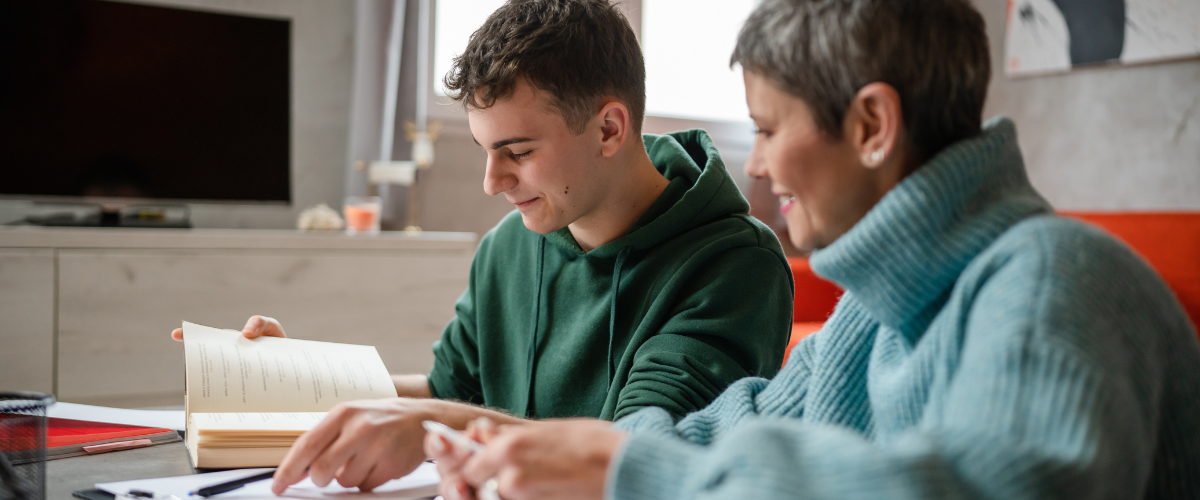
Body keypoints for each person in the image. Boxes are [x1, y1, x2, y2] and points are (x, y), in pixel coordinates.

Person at [426, 0, 1200, 498]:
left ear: (871, 126)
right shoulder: (874, 314)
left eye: (766, 129)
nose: (754, 164)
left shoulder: (1051, 277)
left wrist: (620, 468)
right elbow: (736, 425)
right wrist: (547, 456)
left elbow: (992, 487)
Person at [172, 0, 795, 493]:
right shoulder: (509, 246)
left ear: (609, 127)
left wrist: (434, 425)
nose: (493, 183)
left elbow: (631, 456)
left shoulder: (734, 266)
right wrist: (306, 382)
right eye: (485, 151)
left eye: (518, 153)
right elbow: (452, 388)